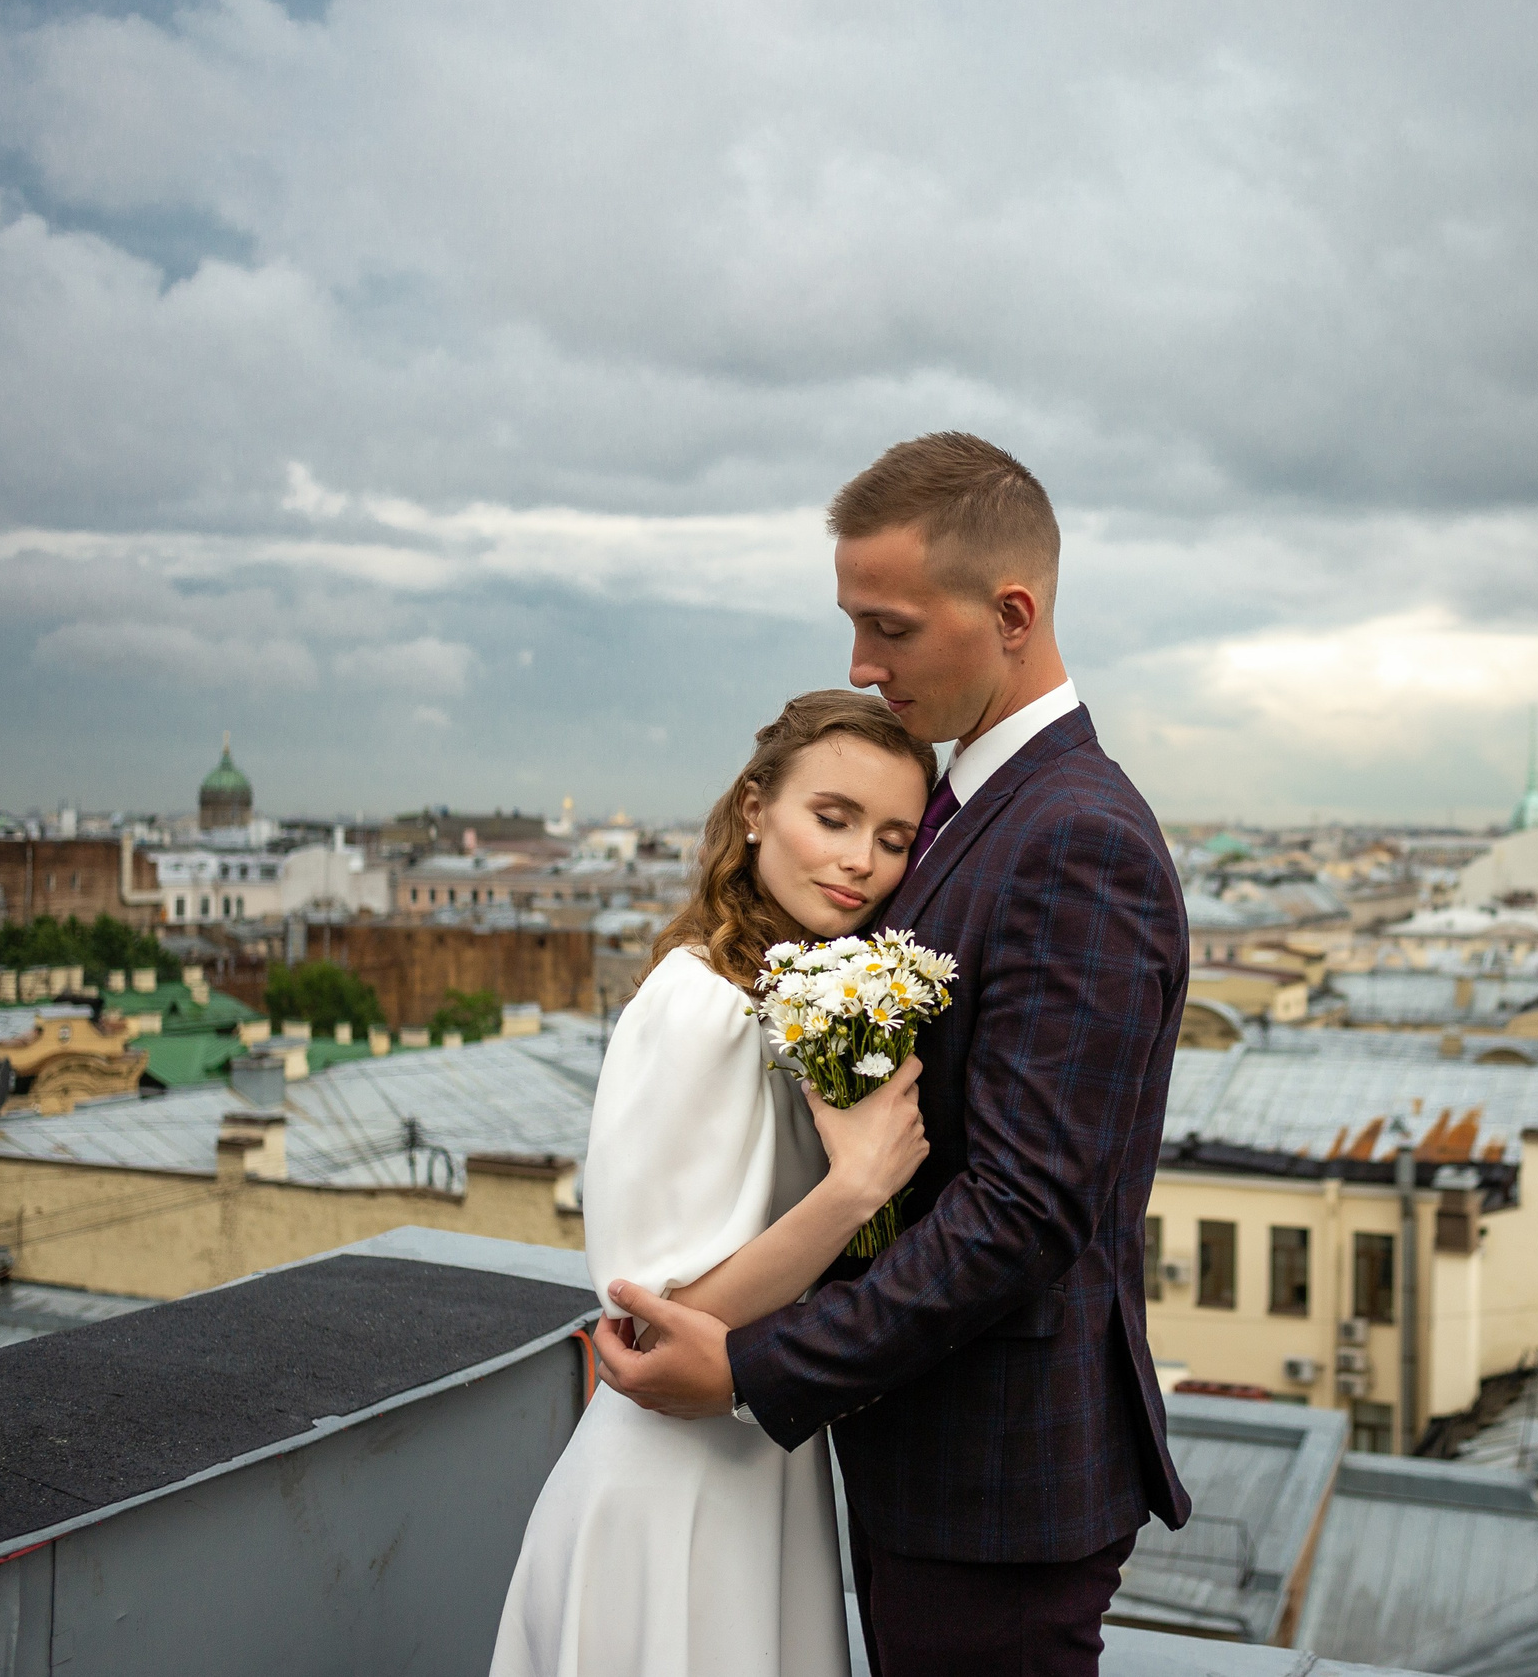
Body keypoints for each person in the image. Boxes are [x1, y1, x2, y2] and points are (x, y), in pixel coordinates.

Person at [601, 433, 1194, 1677]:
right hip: (930, 1459)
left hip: (998, 1487)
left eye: (890, 628)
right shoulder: (974, 812)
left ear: (1012, 613)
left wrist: (755, 1368)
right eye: (851, 625)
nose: (862, 668)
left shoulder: (1077, 838)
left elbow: (1025, 1211)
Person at [490, 690, 940, 1677]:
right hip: (670, 1487)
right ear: (753, 811)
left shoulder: (794, 997)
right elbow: (651, 1327)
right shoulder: (700, 1000)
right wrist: (853, 1189)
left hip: (754, 1469)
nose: (862, 858)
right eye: (833, 818)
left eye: (895, 836)